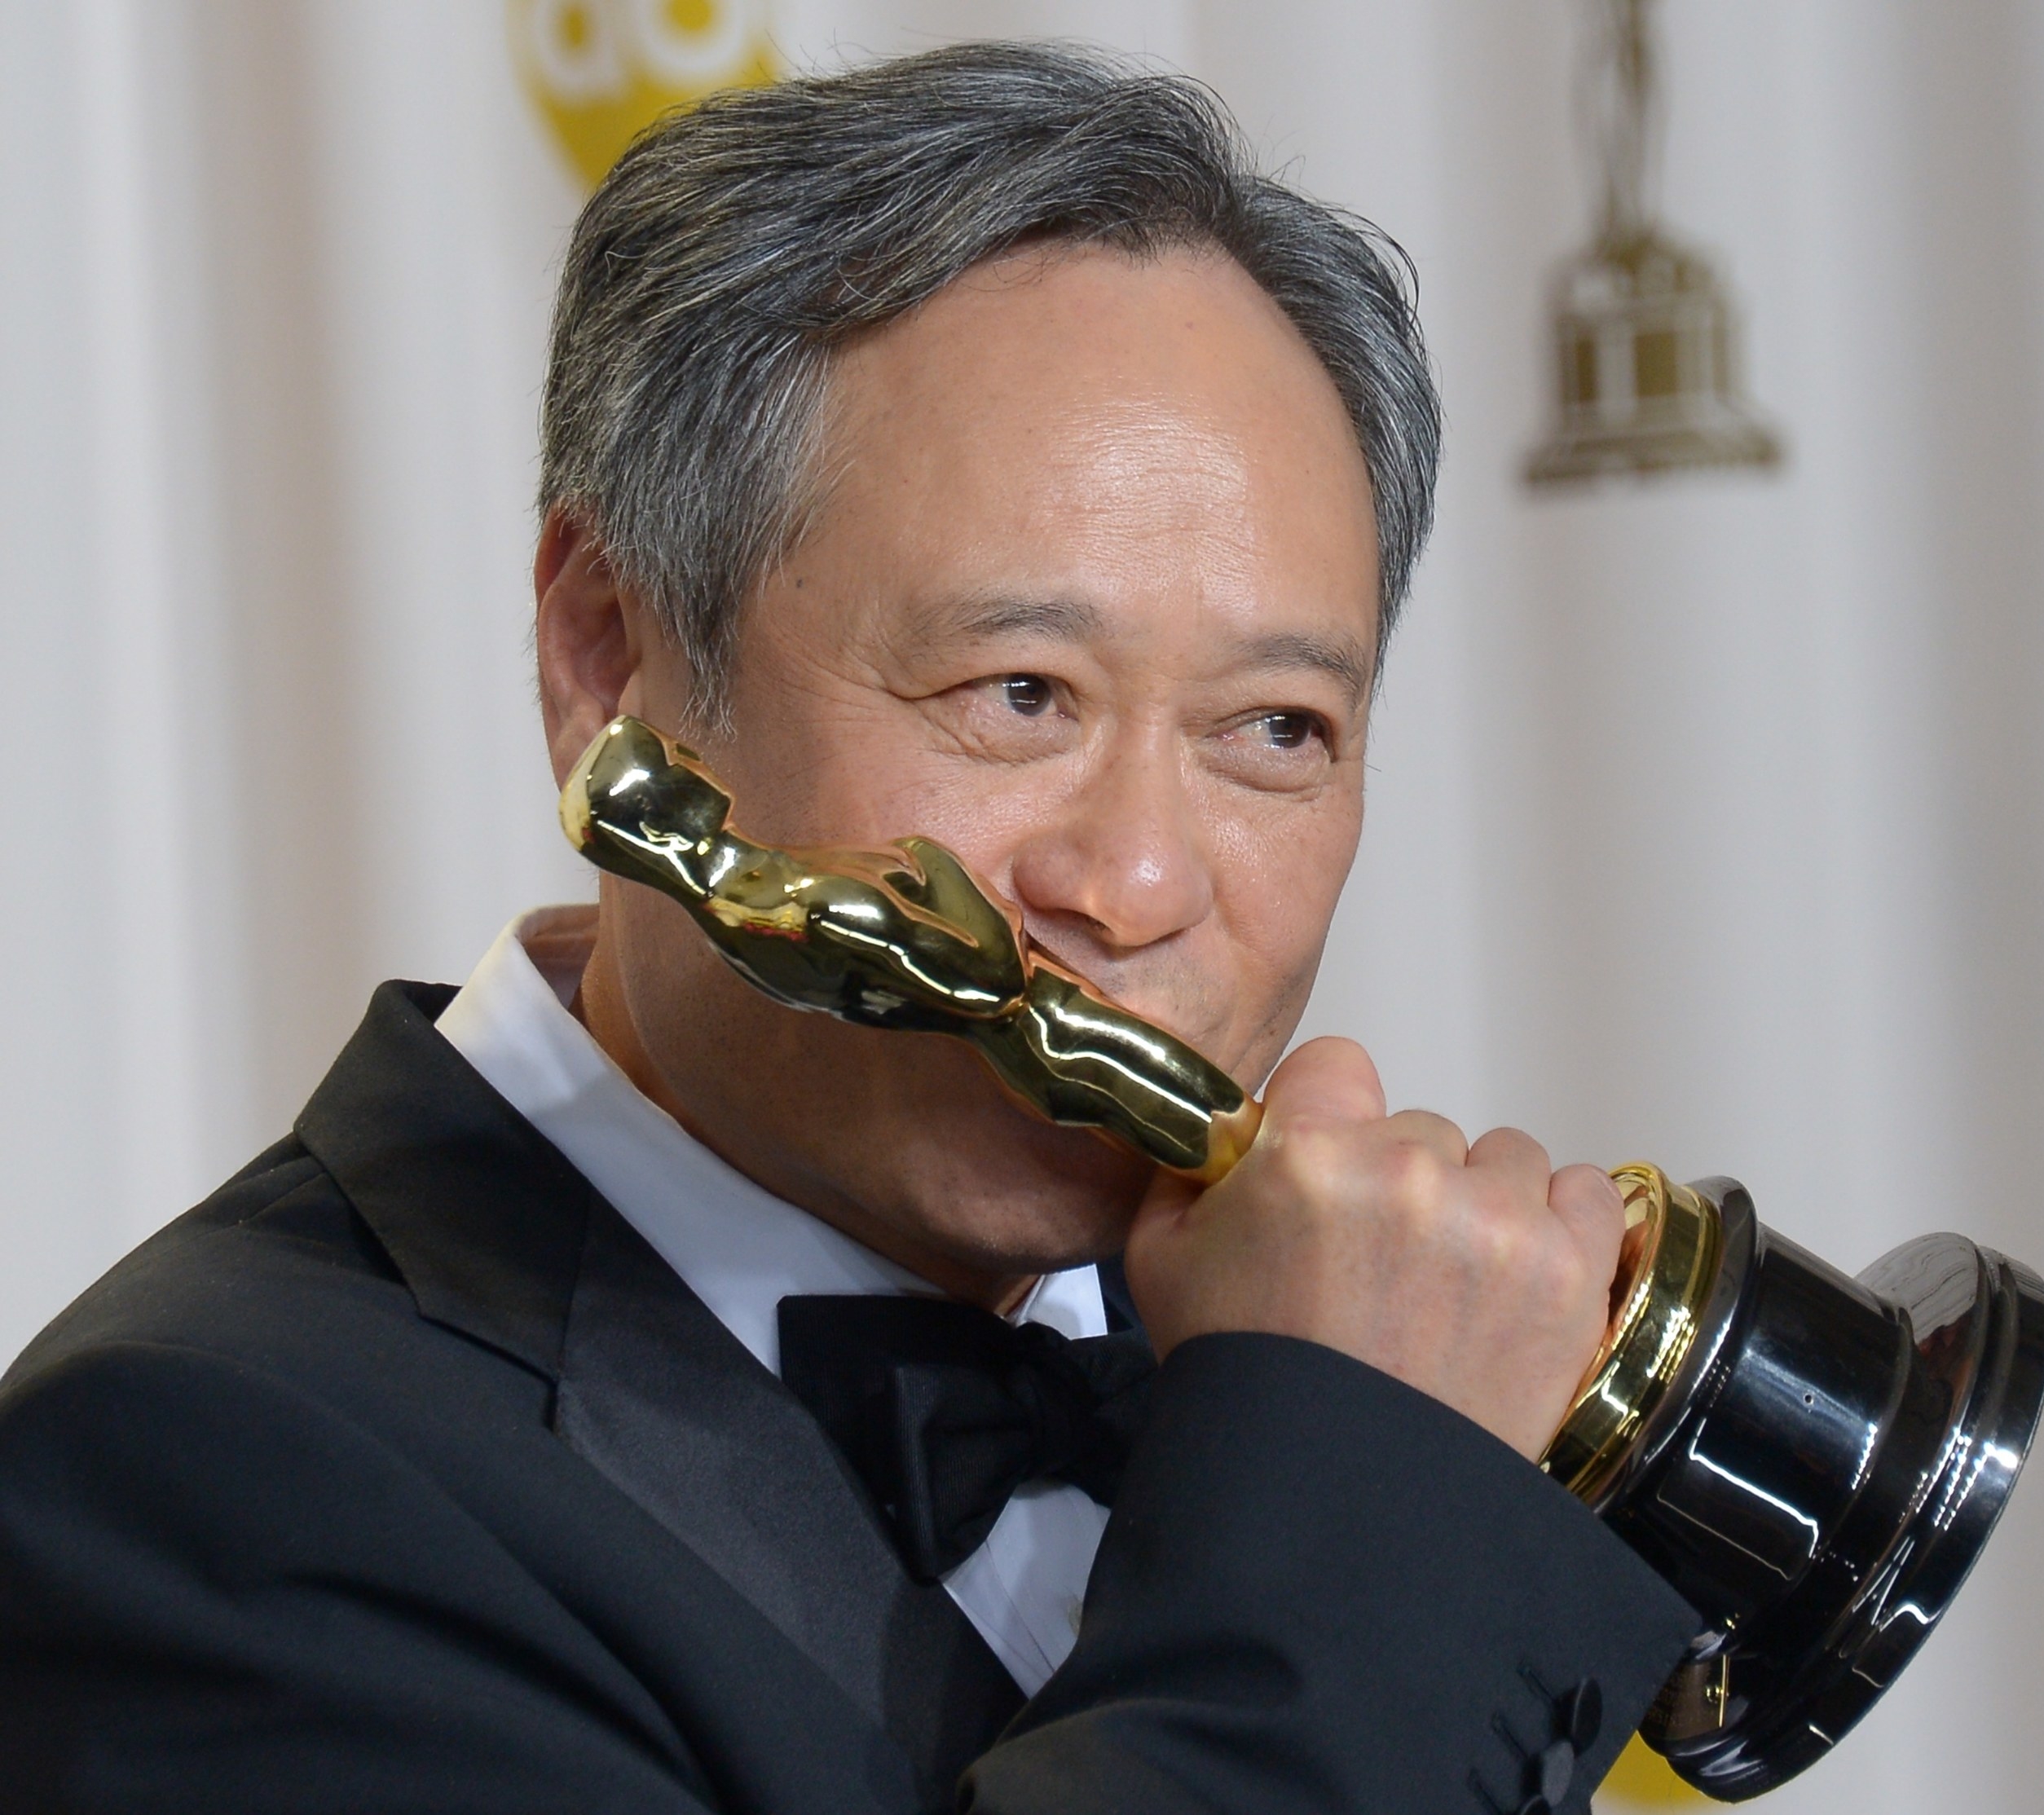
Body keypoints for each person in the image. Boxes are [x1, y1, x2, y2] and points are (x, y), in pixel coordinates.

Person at [0, 43, 1698, 1814]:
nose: (1135, 887)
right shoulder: (201, 1483)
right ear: (610, 661)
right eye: (1019, 693)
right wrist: (1359, 1527)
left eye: (1273, 732)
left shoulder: (1257, 1368)